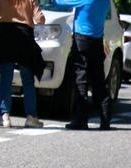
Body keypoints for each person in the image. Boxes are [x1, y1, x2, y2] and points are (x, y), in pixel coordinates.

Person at [0, 0, 45, 128]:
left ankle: (3, 115)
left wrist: (0, 15)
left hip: (5, 35)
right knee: (28, 80)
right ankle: (31, 117)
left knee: (5, 79)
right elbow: (40, 19)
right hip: (24, 38)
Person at [55, 0, 110, 130]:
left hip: (82, 40)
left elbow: (61, 3)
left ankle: (81, 119)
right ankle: (106, 120)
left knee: (81, 80)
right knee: (99, 82)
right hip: (97, 42)